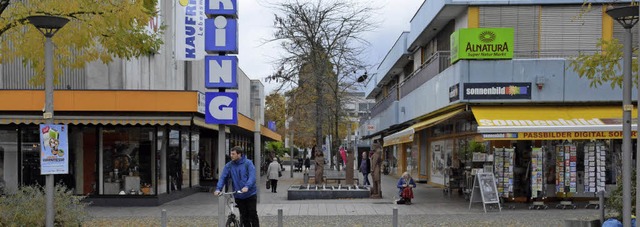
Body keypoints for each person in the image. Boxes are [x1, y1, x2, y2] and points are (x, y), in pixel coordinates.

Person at [214, 146, 259, 227]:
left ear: (239, 154)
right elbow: (223, 177)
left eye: (233, 154)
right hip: (238, 195)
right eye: (231, 153)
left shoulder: (248, 163)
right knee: (244, 216)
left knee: (253, 215)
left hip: (250, 194)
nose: (231, 155)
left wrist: (247, 186)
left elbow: (252, 177)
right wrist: (218, 189)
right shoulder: (229, 165)